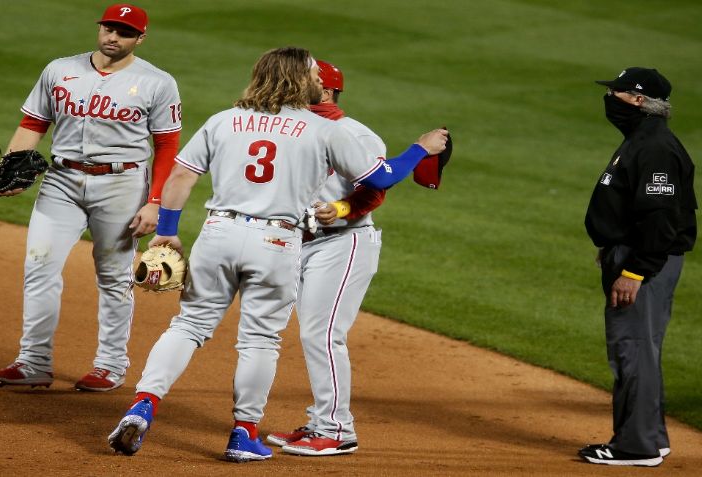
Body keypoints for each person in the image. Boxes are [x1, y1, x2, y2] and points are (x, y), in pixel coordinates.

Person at [107, 46, 447, 462]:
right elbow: (383, 177)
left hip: (218, 233)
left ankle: (143, 404)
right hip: (276, 242)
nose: (319, 80)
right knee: (260, 340)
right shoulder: (322, 130)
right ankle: (243, 434)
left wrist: (168, 234)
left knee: (188, 325)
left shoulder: (224, 120)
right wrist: (419, 148)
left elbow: (181, 175)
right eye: (313, 74)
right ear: (301, 80)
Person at [0, 3, 183, 392]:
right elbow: (33, 122)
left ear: (140, 38)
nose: (113, 37)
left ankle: (110, 365)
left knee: (113, 276)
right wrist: (9, 163)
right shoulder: (60, 69)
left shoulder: (158, 82)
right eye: (109, 28)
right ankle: (34, 362)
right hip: (62, 180)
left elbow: (167, 145)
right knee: (39, 267)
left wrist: (155, 201)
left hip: (122, 185)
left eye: (124, 32)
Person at [265, 60, 387, 456]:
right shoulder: (291, 127)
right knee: (311, 333)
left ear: (326, 91)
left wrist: (342, 209)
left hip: (343, 242)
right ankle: (321, 420)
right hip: (298, 243)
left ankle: (337, 430)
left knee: (323, 334)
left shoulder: (354, 134)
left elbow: (375, 190)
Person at [579, 67, 697, 467]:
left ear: (638, 100)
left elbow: (661, 217)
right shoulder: (641, 141)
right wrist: (613, 244)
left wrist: (635, 270)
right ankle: (651, 437)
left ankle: (637, 446)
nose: (610, 97)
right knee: (639, 350)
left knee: (633, 350)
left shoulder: (655, 148)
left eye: (617, 92)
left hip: (642, 264)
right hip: (630, 254)